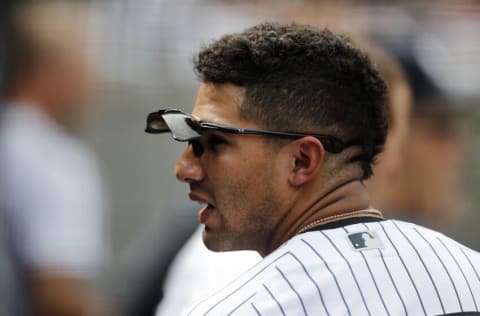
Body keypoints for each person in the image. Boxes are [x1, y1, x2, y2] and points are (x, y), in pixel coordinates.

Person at [146, 22, 480, 315]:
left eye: (216, 143)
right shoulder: (470, 273)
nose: (185, 168)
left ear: (302, 161)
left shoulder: (236, 305)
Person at [0, 2, 111, 315]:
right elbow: (58, 296)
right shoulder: (56, 160)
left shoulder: (12, 138)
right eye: (88, 64)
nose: (96, 82)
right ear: (51, 69)